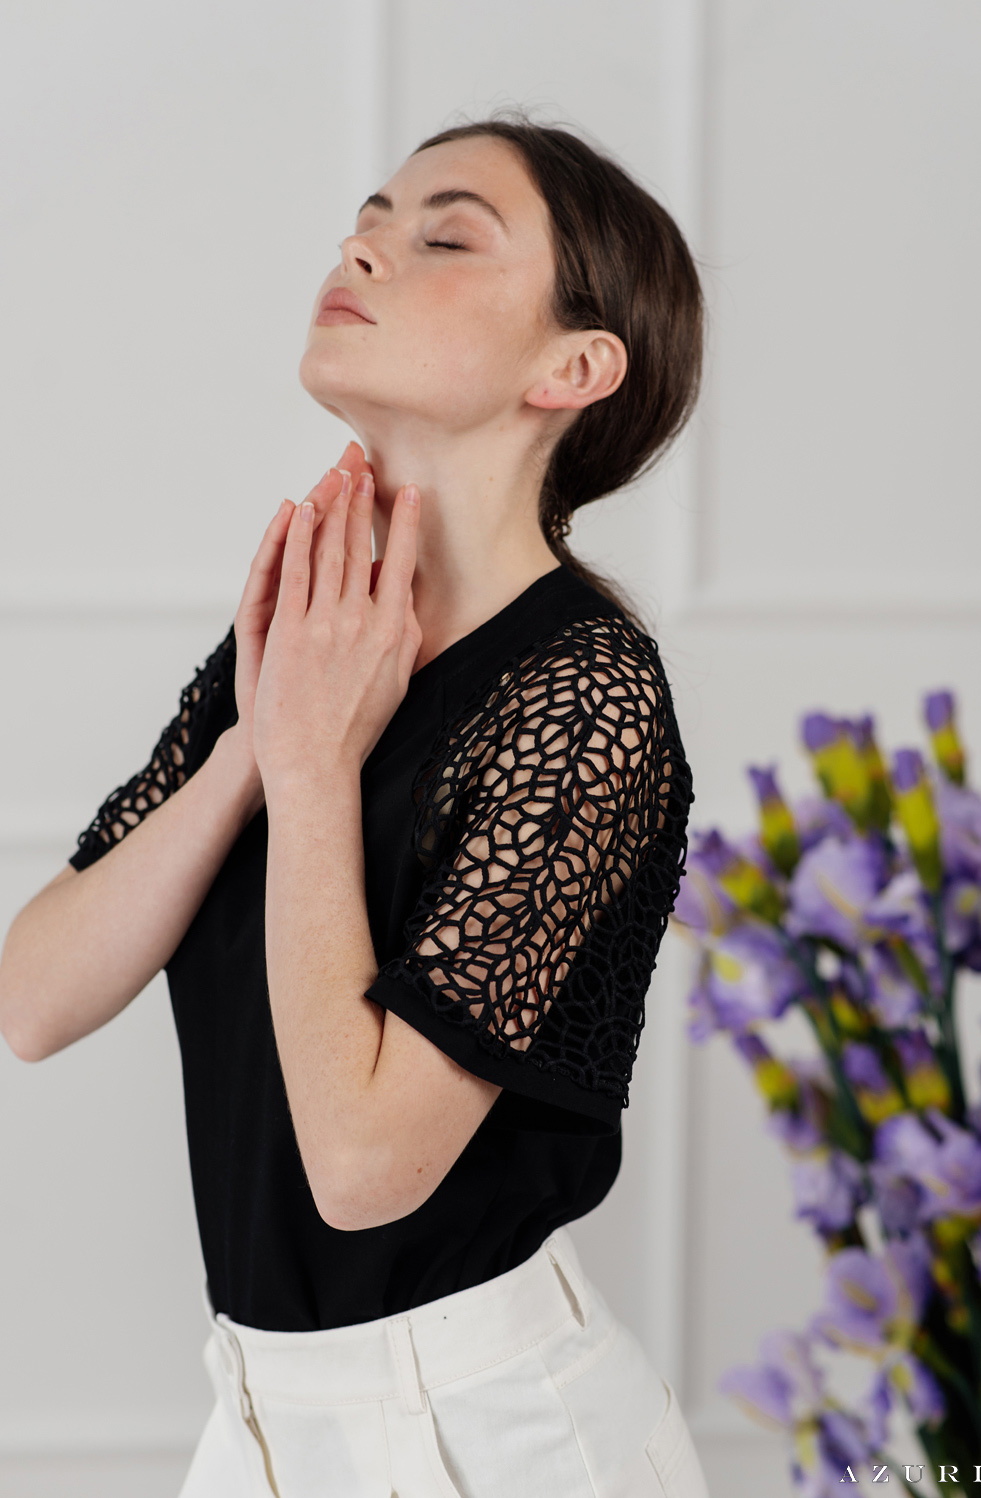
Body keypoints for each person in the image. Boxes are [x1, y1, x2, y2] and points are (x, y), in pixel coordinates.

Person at [0, 116, 708, 1497]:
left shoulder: (590, 696)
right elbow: (32, 997)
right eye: (369, 217)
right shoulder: (316, 633)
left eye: (446, 233)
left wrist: (315, 765)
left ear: (573, 367)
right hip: (261, 1424)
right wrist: (258, 744)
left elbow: (365, 1164)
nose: (365, 243)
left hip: (486, 1435)